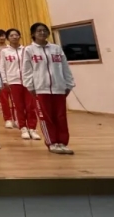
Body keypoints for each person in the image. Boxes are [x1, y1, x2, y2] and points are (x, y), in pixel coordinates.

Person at [23, 22, 76, 155]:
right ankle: (52, 142)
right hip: (41, 89)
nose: (42, 33)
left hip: (59, 88)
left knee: (61, 117)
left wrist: (69, 84)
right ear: (33, 34)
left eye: (44, 30)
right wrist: (30, 86)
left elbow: (65, 67)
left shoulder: (56, 49)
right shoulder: (29, 50)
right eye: (39, 31)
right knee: (46, 118)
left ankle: (62, 142)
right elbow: (26, 70)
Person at [0, 28, 41, 141]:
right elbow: (2, 67)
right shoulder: (4, 52)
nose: (14, 37)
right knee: (19, 106)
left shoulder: (26, 50)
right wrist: (5, 80)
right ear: (8, 38)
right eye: (11, 35)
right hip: (13, 81)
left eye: (16, 35)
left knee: (30, 106)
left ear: (20, 36)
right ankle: (23, 127)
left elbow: (33, 65)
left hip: (28, 81)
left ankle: (32, 128)